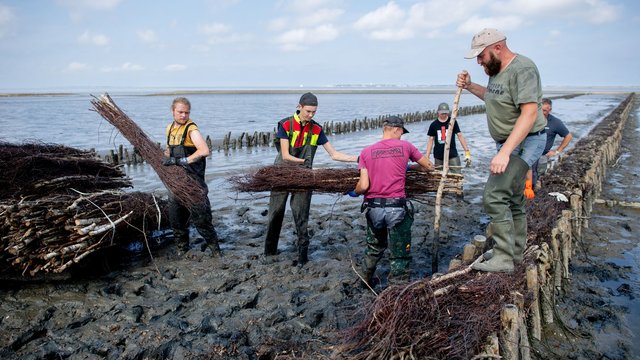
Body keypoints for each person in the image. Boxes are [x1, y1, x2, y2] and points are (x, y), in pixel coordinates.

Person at [456, 28, 547, 273]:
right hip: (509, 143)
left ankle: (504, 258)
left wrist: (505, 152)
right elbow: (494, 97)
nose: (478, 61)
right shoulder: (495, 71)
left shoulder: (523, 69)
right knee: (514, 199)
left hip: (525, 143)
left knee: (494, 196)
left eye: (481, 55)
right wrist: (470, 86)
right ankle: (514, 252)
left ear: (497, 47)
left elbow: (529, 115)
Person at [264, 92, 358, 266]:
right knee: (275, 214)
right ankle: (269, 252)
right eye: (308, 111)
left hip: (304, 178)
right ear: (299, 106)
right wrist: (305, 163)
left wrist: (358, 158)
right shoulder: (285, 125)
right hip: (281, 173)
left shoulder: (317, 129)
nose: (311, 115)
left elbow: (334, 154)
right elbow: (285, 155)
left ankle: (302, 255)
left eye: (314, 112)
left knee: (301, 215)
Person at [350, 116, 434, 287]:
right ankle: (397, 288)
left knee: (374, 248)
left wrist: (354, 192)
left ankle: (363, 282)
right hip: (396, 209)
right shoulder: (406, 146)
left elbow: (364, 185)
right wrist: (409, 166)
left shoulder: (366, 152)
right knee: (400, 253)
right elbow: (429, 166)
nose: (402, 136)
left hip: (374, 209)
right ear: (395, 129)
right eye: (402, 132)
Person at [162, 97, 222, 257]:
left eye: (186, 112)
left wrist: (182, 160)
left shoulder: (191, 129)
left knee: (202, 220)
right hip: (176, 185)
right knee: (176, 220)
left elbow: (204, 150)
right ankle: (183, 250)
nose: (183, 116)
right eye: (180, 112)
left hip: (194, 183)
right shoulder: (169, 129)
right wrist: (164, 156)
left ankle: (216, 251)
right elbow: (169, 150)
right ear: (172, 111)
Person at [524, 97, 573, 199]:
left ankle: (533, 196)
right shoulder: (531, 118)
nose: (543, 113)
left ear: (550, 109)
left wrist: (557, 151)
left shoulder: (555, 122)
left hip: (543, 155)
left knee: (536, 177)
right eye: (541, 110)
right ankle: (525, 194)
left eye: (546, 110)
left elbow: (568, 136)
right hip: (527, 153)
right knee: (523, 175)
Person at [425, 102, 472, 174]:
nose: (444, 115)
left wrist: (467, 151)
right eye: (442, 113)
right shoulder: (433, 125)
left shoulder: (452, 122)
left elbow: (459, 135)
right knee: (439, 175)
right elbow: (431, 140)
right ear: (438, 112)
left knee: (457, 175)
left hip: (452, 154)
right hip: (438, 155)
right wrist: (427, 156)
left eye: (445, 113)